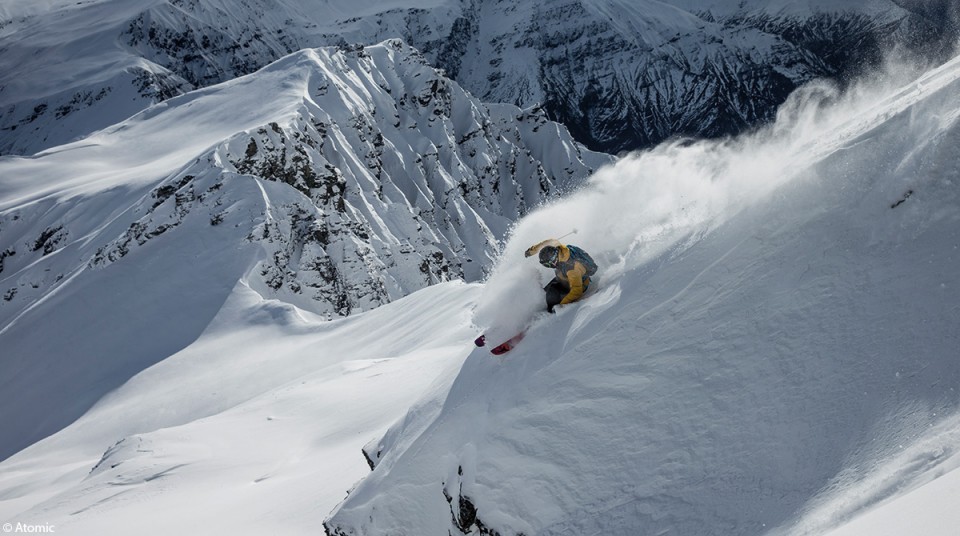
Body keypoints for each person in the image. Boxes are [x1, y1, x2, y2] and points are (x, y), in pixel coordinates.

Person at [524, 238, 598, 313]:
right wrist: (531, 251)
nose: (548, 267)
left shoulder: (571, 269)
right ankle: (541, 305)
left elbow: (576, 291)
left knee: (552, 292)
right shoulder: (559, 248)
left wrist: (562, 305)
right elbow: (547, 242)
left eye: (547, 265)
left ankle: (550, 311)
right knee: (545, 292)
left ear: (553, 261)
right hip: (564, 277)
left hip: (579, 284)